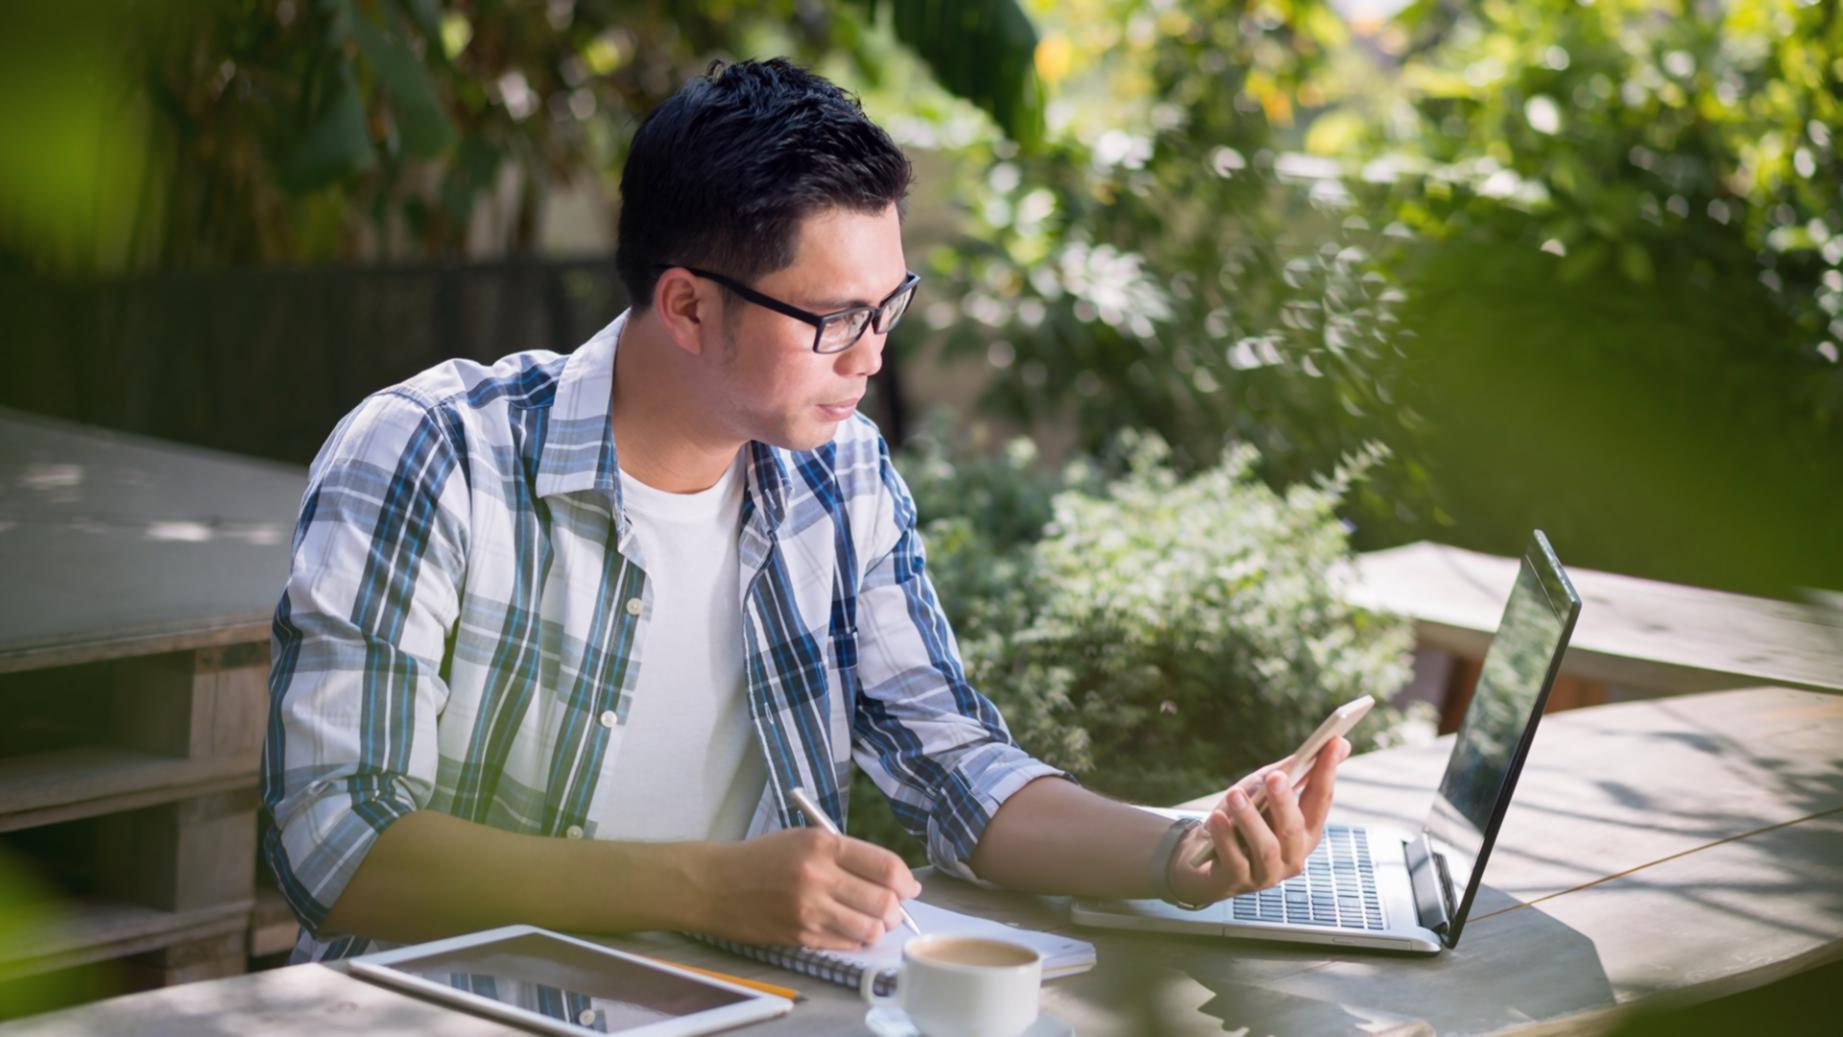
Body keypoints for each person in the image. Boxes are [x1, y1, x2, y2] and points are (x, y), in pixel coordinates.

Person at [261, 57, 1349, 962]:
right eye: (836, 318)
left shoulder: (841, 473)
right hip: (449, 1007)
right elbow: (337, 841)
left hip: (751, 1005)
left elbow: (952, 763)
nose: (874, 356)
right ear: (687, 303)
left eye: (890, 306)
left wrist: (1178, 852)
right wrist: (700, 886)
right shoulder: (433, 453)